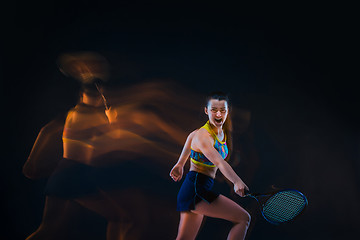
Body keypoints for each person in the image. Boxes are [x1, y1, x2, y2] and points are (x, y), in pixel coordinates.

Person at [170, 92, 251, 240]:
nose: (218, 114)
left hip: (198, 187)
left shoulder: (219, 133)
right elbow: (219, 162)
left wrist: (180, 163)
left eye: (223, 110)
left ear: (227, 111)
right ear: (206, 111)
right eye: (214, 110)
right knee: (243, 218)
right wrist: (236, 181)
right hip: (195, 190)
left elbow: (190, 137)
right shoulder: (204, 135)